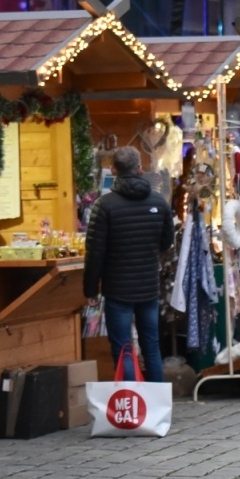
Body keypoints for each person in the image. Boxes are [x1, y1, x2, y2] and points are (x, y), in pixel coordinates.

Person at [83, 145, 175, 383]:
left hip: (117, 288)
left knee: (123, 347)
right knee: (151, 346)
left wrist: (91, 289)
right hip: (148, 285)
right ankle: (156, 401)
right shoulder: (159, 203)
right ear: (140, 169)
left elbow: (95, 252)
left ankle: (131, 400)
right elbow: (167, 242)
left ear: (113, 170)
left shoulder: (104, 206)